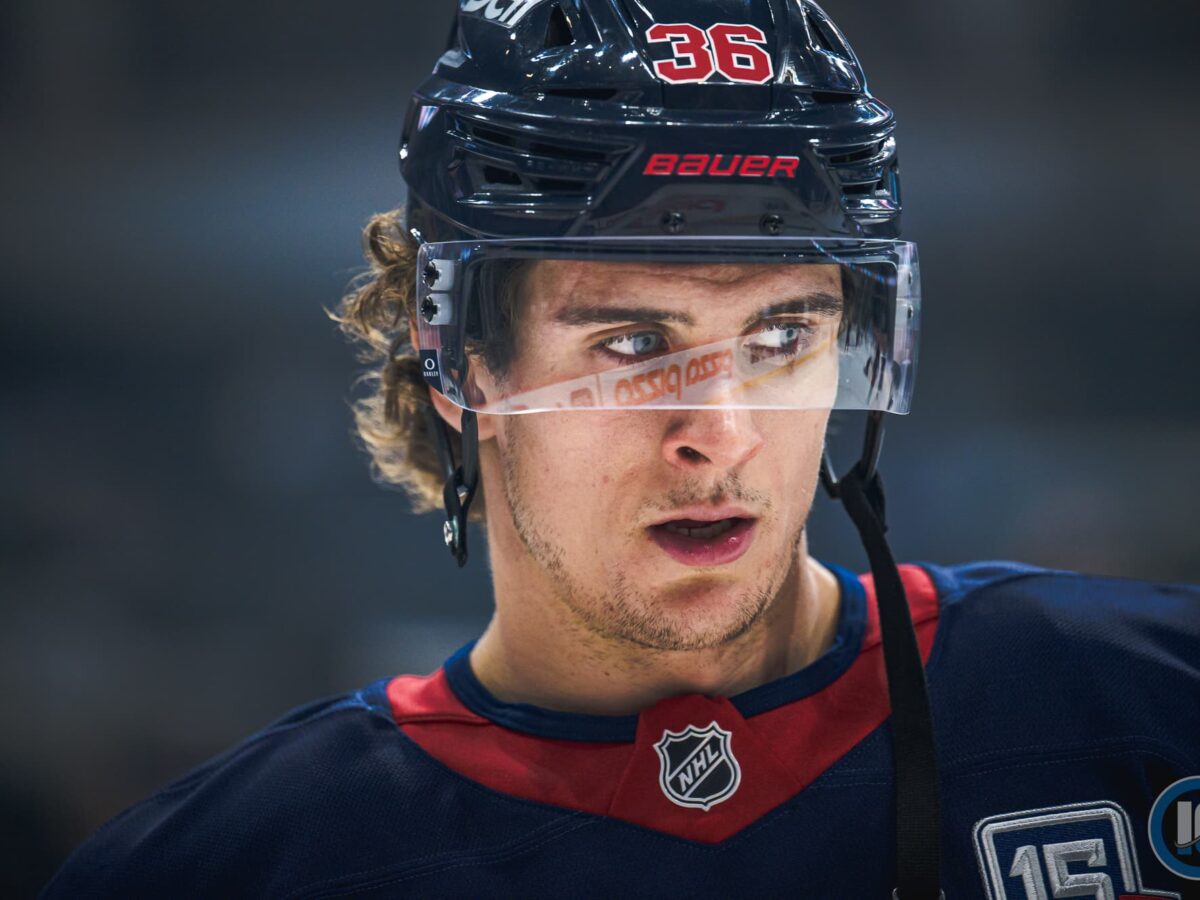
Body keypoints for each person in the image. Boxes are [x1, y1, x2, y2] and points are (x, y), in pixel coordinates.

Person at [45, 1, 1199, 898]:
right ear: (458, 361)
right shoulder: (225, 872)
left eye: (782, 337)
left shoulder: (1156, 704)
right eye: (636, 344)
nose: (722, 436)